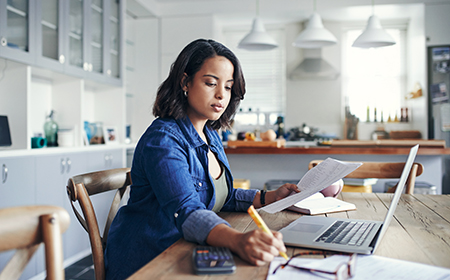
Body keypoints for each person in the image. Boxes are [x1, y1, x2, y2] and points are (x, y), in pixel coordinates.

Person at [104, 38, 299, 279]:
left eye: (228, 87)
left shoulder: (211, 134)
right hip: (151, 259)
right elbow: (187, 209)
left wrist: (268, 198)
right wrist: (237, 240)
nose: (221, 95)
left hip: (186, 249)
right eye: (210, 83)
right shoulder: (163, 140)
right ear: (185, 81)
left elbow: (217, 196)